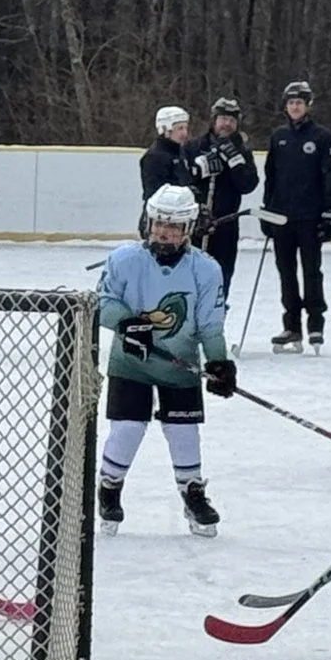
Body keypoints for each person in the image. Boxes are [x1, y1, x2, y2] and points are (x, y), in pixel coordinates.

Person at [95, 185, 235, 537]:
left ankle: (192, 491)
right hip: (131, 361)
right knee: (127, 428)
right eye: (158, 223)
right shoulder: (125, 259)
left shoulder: (206, 270)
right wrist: (127, 323)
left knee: (184, 430)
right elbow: (102, 301)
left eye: (173, 227)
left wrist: (218, 362)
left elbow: (209, 323)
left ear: (188, 230)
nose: (163, 231)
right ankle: (109, 486)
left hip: (179, 362)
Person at [261, 79, 331, 353]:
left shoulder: (321, 137)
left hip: (310, 217)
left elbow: (330, 177)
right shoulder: (279, 136)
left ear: (308, 106)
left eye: (299, 103)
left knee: (311, 272)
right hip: (282, 217)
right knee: (286, 273)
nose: (295, 107)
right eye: (291, 103)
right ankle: (291, 325)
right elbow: (270, 178)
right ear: (286, 106)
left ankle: (315, 325)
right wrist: (266, 211)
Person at [189, 98, 258, 288]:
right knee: (191, 279)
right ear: (214, 120)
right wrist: (198, 168)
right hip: (195, 224)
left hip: (225, 225)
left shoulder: (242, 151)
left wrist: (234, 161)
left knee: (221, 279)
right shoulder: (195, 146)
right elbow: (181, 180)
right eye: (223, 119)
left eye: (232, 120)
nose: (227, 124)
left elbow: (248, 184)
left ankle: (217, 316)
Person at [139, 106, 195, 229]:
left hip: (178, 217)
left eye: (186, 128)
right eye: (180, 128)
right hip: (160, 221)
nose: (184, 133)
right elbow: (155, 192)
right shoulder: (155, 156)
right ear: (165, 129)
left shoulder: (180, 152)